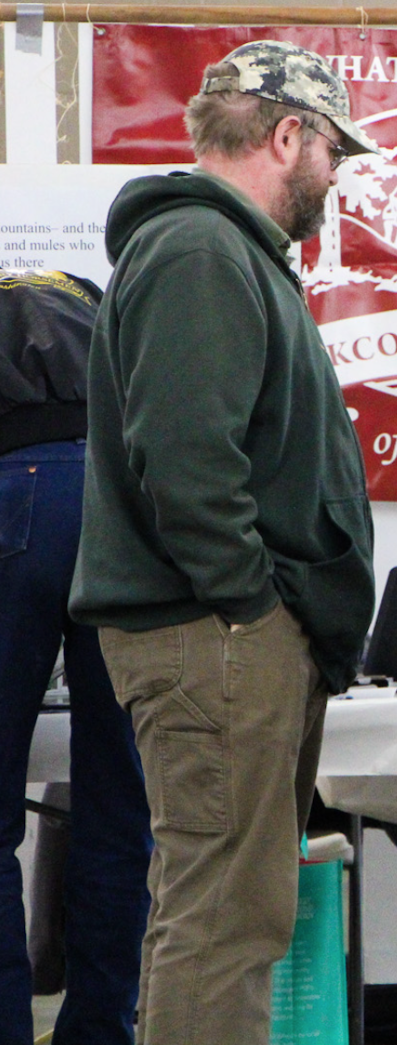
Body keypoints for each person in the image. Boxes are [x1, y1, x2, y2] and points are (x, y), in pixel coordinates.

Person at [68, 40, 379, 1045]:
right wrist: (249, 602)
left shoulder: (219, 252)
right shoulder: (201, 252)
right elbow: (187, 460)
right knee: (219, 924)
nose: (335, 175)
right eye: (332, 150)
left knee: (229, 916)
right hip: (218, 639)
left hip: (228, 637)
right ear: (287, 134)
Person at [1, 271, 150, 1045]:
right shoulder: (89, 292)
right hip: (114, 495)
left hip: (13, 482)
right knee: (118, 806)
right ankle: (100, 1027)